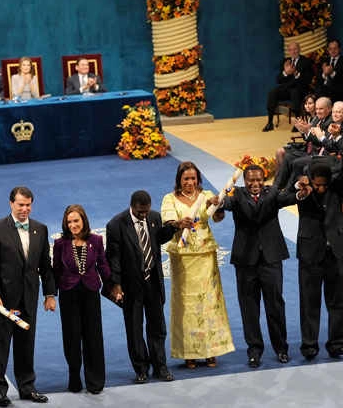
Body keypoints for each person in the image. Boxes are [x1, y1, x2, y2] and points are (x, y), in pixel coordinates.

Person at [0, 186, 56, 406]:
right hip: (2, 302)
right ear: (11, 203)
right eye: (21, 204)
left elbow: (45, 265)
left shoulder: (40, 229)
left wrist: (50, 293)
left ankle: (27, 388)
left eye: (28, 205)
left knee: (26, 345)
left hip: (29, 298)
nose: (25, 209)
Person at [160, 162, 234, 369]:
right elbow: (168, 222)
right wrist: (178, 223)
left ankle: (211, 351)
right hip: (182, 257)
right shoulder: (169, 198)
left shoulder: (207, 194)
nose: (190, 182)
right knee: (186, 304)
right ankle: (188, 353)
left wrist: (218, 206)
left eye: (193, 178)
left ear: (198, 179)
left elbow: (217, 218)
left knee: (210, 302)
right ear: (179, 180)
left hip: (205, 255)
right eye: (186, 179)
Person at [221, 164, 292, 367]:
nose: (255, 184)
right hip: (246, 261)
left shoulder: (272, 193)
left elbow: (289, 197)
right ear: (245, 181)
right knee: (249, 308)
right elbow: (226, 202)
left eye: (259, 180)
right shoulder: (238, 195)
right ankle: (254, 351)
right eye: (251, 180)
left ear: (264, 179)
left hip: (271, 258)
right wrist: (217, 202)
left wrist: (299, 188)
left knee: (275, 305)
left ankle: (281, 349)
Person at [105, 190, 176, 383]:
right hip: (130, 285)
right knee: (135, 329)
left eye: (146, 211)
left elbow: (158, 238)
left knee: (157, 327)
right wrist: (116, 284)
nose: (144, 215)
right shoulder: (116, 224)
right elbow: (113, 257)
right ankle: (141, 369)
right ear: (132, 206)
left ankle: (161, 367)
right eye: (140, 212)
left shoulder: (154, 217)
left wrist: (173, 228)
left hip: (153, 280)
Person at [291, 160, 343, 360]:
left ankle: (337, 343)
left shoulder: (335, 189)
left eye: (324, 185)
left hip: (335, 252)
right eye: (317, 184)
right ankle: (309, 345)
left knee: (338, 301)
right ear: (310, 180)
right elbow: (289, 194)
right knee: (309, 302)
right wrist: (299, 188)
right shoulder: (303, 192)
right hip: (310, 254)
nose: (320, 188)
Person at [53, 205, 111, 394]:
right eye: (69, 222)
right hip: (68, 294)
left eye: (76, 221)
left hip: (90, 292)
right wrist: (50, 295)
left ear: (83, 220)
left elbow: (103, 265)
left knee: (93, 336)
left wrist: (114, 285)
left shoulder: (96, 239)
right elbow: (56, 271)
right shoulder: (60, 243)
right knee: (71, 337)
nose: (73, 225)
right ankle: (74, 377)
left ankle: (95, 380)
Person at [262, 42, 313, 132]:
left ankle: (298, 123)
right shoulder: (285, 61)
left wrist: (296, 74)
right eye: (291, 50)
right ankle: (270, 122)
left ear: (299, 49)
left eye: (295, 49)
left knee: (295, 92)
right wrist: (285, 73)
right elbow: (278, 80)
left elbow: (307, 80)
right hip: (286, 90)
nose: (293, 52)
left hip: (300, 89)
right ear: (288, 51)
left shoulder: (306, 61)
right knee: (272, 92)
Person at [315, 39, 343, 103]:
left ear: (339, 49)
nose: (332, 51)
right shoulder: (323, 61)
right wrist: (324, 74)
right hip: (323, 94)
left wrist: (332, 73)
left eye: (335, 48)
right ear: (328, 50)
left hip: (339, 94)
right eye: (330, 49)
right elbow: (318, 78)